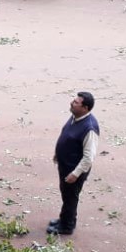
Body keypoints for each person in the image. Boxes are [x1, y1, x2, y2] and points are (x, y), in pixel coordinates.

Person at [48, 91, 99, 235]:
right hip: (65, 166)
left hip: (74, 170)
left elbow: (89, 158)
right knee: (66, 195)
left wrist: (75, 174)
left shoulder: (89, 128)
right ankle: (64, 220)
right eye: (74, 100)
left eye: (76, 102)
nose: (72, 103)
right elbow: (66, 136)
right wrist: (58, 154)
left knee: (70, 197)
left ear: (85, 108)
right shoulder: (75, 117)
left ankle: (67, 227)